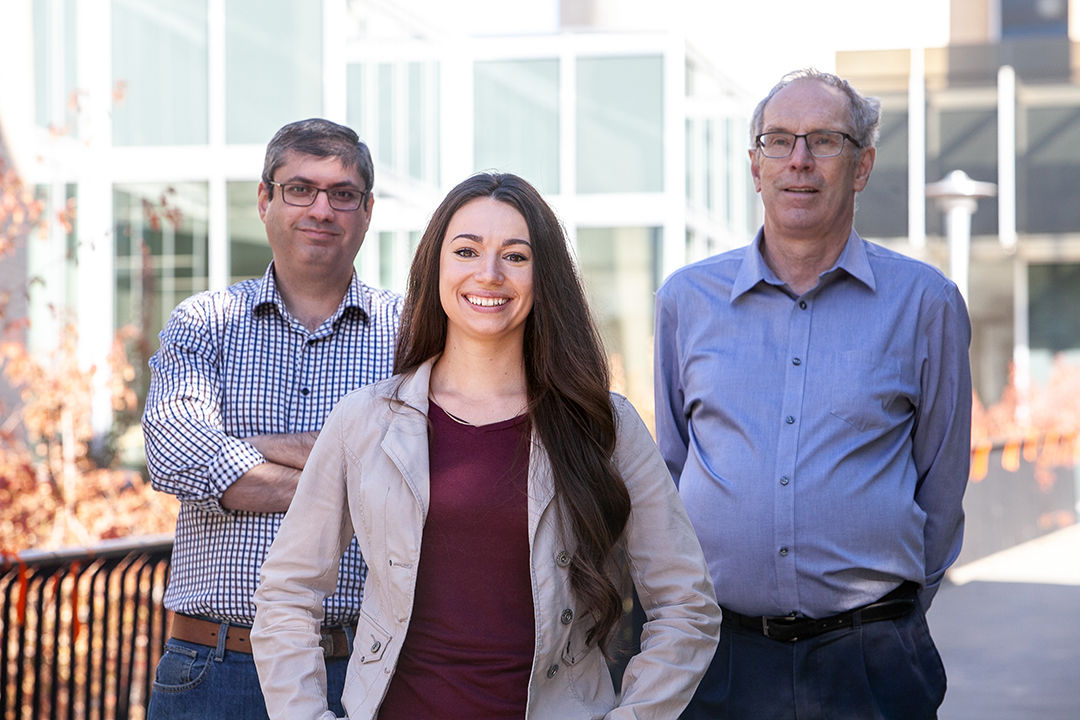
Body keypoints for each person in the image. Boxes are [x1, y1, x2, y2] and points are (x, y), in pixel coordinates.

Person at [250, 172, 721, 720]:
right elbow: (287, 593)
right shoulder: (366, 421)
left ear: (544, 276)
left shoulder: (603, 424)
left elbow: (686, 604)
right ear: (437, 266)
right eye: (467, 250)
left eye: (516, 256)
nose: (489, 273)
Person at [654, 69, 972, 720]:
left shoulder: (924, 302)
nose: (799, 160)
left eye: (824, 141)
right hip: (720, 659)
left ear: (862, 166)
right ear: (755, 165)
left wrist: (890, 618)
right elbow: (670, 467)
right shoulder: (686, 302)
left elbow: (942, 486)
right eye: (779, 141)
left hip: (871, 660)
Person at [142, 119, 402, 719]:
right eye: (299, 189)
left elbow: (427, 467)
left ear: (366, 211)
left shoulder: (412, 335)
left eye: (342, 194)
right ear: (265, 199)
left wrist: (241, 448)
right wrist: (354, 472)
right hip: (214, 669)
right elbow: (176, 456)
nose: (321, 209)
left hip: (364, 669)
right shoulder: (203, 321)